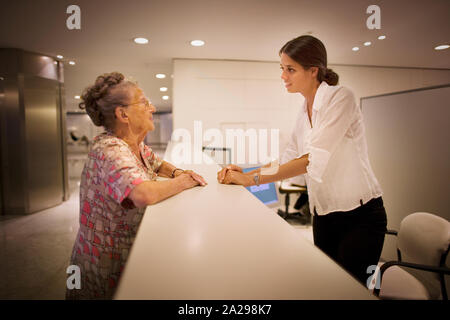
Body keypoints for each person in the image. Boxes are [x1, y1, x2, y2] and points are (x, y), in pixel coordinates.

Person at [217, 35, 387, 286]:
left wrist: (251, 179)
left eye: (290, 70)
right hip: (324, 214)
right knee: (327, 286)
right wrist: (249, 169)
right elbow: (289, 158)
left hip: (360, 215)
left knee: (351, 289)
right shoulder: (303, 109)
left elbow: (311, 159)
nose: (283, 76)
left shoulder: (341, 98)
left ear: (313, 71)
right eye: (282, 69)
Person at [66, 72, 206, 299]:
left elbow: (157, 163)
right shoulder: (109, 149)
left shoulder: (135, 145)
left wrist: (178, 172)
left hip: (124, 254)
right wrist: (184, 181)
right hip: (102, 262)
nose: (151, 108)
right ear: (123, 114)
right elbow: (143, 194)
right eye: (144, 103)